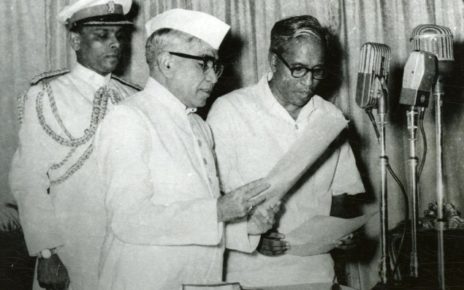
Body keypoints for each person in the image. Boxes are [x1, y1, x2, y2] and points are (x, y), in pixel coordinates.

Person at [95, 9, 277, 290]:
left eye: (216, 67)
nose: (213, 78)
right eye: (204, 64)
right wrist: (218, 210)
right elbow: (129, 219)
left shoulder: (198, 126)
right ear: (167, 63)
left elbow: (199, 221)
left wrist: (248, 226)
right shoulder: (129, 118)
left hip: (199, 282)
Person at [207, 15, 366, 287]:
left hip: (316, 274)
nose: (309, 82)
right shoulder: (230, 110)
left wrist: (343, 233)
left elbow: (342, 195)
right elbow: (209, 199)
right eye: (299, 69)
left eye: (317, 71)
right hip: (248, 276)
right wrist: (252, 238)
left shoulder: (329, 116)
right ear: (273, 60)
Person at [9, 0, 140, 289]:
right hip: (71, 251)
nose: (115, 44)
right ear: (75, 39)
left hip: (129, 250)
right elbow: (29, 180)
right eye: (102, 36)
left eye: (119, 35)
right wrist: (46, 253)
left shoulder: (134, 97)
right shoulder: (47, 94)